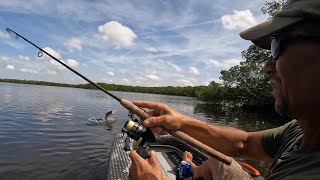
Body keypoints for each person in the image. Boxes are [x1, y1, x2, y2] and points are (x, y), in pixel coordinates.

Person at [129, 0, 320, 179]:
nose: (267, 68)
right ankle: (196, 172)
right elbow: (244, 143)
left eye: (277, 45)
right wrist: (180, 121)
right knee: (218, 159)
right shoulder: (299, 129)